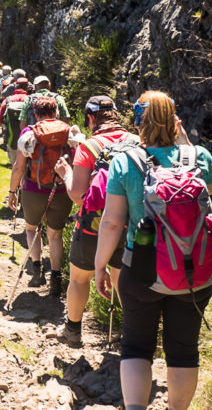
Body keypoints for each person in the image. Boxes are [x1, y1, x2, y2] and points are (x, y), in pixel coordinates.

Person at [95, 91, 212, 410]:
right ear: (174, 119)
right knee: (183, 350)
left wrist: (99, 266)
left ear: (138, 122)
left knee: (136, 346)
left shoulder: (125, 161)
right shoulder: (198, 157)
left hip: (140, 271)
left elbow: (111, 222)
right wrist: (185, 142)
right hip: (193, 272)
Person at [53, 96, 139, 346]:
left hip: (94, 225)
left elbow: (78, 196)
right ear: (116, 114)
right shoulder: (137, 142)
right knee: (122, 281)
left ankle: (72, 331)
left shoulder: (89, 147)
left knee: (80, 278)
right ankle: (133, 335)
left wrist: (66, 173)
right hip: (130, 225)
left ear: (90, 118)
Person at [8, 96, 74, 296]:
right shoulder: (69, 131)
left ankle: (37, 271)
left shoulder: (29, 133)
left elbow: (19, 167)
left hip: (34, 190)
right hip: (62, 190)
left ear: (35, 114)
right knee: (55, 234)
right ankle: (56, 278)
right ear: (56, 113)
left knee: (31, 229)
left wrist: (12, 192)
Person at [0, 77, 30, 165]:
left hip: (13, 142)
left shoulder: (8, 100)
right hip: (29, 143)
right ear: (28, 88)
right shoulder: (31, 100)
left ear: (15, 87)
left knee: (15, 169)